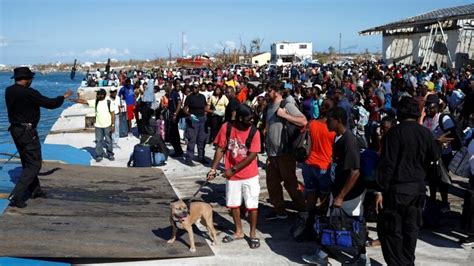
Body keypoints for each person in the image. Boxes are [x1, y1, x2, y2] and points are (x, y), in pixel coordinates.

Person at [376, 97, 451, 265]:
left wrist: (379, 190)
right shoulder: (425, 133)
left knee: (392, 233)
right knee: (411, 231)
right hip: (417, 191)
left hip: (397, 192)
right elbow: (434, 155)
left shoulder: (393, 133)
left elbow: (387, 165)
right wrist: (437, 144)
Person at [303, 106, 369, 265]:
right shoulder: (338, 137)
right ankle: (322, 255)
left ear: (338, 121)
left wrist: (340, 196)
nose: (326, 123)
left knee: (353, 225)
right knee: (332, 221)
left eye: (329, 120)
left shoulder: (349, 141)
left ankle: (362, 259)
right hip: (338, 189)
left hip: (350, 194)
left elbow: (355, 172)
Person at [5, 67, 73, 208]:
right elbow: (50, 103)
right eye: (31, 79)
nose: (31, 81)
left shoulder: (9, 91)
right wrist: (63, 97)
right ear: (27, 79)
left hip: (15, 130)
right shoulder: (29, 93)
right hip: (27, 132)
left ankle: (35, 190)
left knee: (27, 161)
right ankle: (16, 196)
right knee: (35, 164)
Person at [207, 104, 261, 249]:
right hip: (233, 177)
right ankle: (238, 231)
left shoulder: (254, 132)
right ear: (239, 118)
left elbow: (252, 155)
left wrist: (234, 169)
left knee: (252, 205)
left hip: (250, 174)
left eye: (252, 119)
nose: (250, 122)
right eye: (248, 120)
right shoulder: (227, 127)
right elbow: (220, 149)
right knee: (234, 204)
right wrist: (213, 169)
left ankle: (253, 233)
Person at [264, 83, 307, 220]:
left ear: (276, 91)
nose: (267, 93)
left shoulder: (286, 105)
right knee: (272, 183)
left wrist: (285, 116)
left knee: (290, 183)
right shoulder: (268, 107)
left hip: (285, 153)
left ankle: (303, 209)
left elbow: (303, 121)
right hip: (272, 153)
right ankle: (279, 210)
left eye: (269, 90)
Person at [71, 89, 115, 162]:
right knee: (98, 141)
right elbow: (84, 101)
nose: (96, 95)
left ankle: (110, 154)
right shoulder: (95, 102)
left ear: (102, 95)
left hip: (107, 125)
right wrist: (73, 100)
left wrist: (113, 125)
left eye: (98, 94)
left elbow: (113, 114)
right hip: (98, 126)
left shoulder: (108, 102)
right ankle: (99, 155)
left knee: (108, 141)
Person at [183, 84, 211, 166]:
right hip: (193, 120)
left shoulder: (202, 97)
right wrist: (190, 115)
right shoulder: (189, 97)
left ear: (199, 88)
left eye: (196, 87)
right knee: (192, 139)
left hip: (202, 119)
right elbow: (185, 109)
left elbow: (205, 107)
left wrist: (212, 112)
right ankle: (189, 158)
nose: (195, 89)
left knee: (202, 140)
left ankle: (201, 157)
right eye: (193, 88)